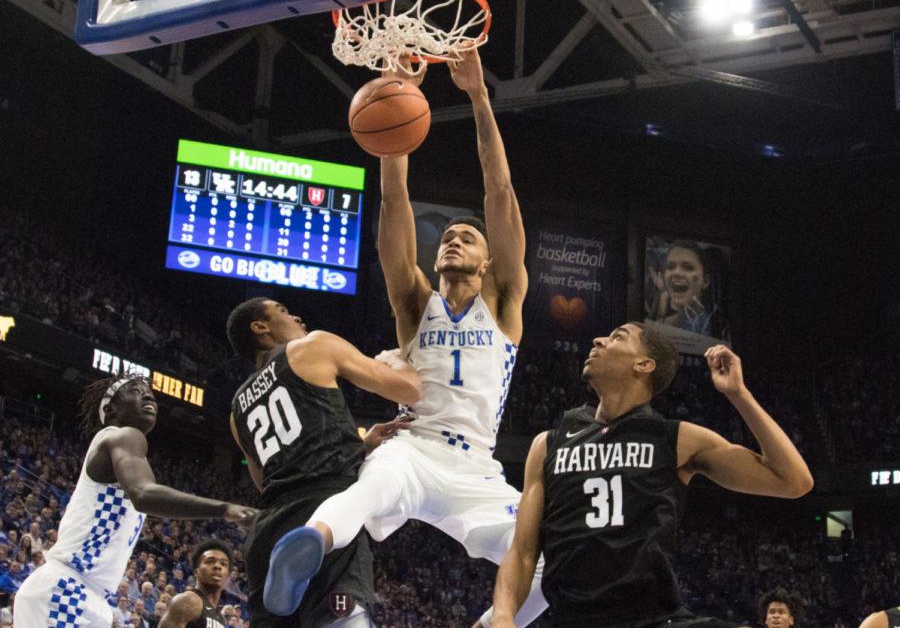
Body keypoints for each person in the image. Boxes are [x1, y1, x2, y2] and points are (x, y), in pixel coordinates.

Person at [263, 47, 547, 628]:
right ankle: (305, 546)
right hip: (413, 449)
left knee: (552, 564)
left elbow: (499, 188)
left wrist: (477, 95)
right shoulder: (416, 305)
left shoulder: (507, 298)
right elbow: (395, 202)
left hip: (477, 470)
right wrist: (392, 124)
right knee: (368, 492)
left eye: (467, 237)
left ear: (492, 261)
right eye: (446, 236)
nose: (452, 240)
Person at [490, 325, 814, 628]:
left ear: (643, 365)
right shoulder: (547, 444)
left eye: (617, 337)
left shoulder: (676, 439)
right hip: (572, 619)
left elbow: (793, 481)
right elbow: (522, 551)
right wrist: (503, 617)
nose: (598, 341)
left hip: (654, 619)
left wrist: (738, 394)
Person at [225, 297, 422, 627]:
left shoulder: (236, 410)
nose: (297, 315)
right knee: (344, 615)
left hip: (268, 535)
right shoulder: (312, 346)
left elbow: (266, 481)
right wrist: (399, 360)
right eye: (284, 311)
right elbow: (411, 390)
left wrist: (359, 446)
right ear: (260, 328)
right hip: (326, 519)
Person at [13, 374, 257, 627]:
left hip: (86, 595)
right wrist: (226, 509)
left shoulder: (122, 454)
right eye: (135, 390)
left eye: (149, 391)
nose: (148, 395)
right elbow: (143, 494)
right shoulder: (123, 435)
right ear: (110, 410)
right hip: (66, 589)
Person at [646, 240, 725, 339]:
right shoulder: (659, 327)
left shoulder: (719, 327)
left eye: (688, 268)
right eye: (670, 267)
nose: (676, 273)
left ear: (705, 281)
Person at [159, 538, 234, 628]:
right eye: (210, 561)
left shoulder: (221, 618)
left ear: (227, 575)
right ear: (196, 572)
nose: (218, 566)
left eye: (223, 564)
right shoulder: (187, 601)